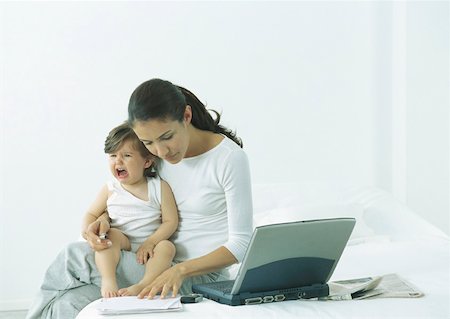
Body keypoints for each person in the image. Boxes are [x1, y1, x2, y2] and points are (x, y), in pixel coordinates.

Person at [26, 78, 253, 319]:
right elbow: (132, 193)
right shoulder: (157, 156)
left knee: (73, 256)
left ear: (186, 116)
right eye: (148, 143)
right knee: (68, 303)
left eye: (167, 137)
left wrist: (181, 271)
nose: (161, 151)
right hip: (152, 262)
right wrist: (102, 218)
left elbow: (241, 244)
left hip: (196, 276)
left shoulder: (229, 158)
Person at [81, 122, 178, 298]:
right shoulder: (110, 188)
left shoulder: (158, 187)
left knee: (167, 247)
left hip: (151, 246)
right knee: (109, 237)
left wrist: (151, 241)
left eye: (126, 155)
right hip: (123, 241)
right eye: (112, 155)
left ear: (147, 161)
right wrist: (88, 232)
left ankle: (144, 284)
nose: (118, 161)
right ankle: (108, 279)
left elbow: (170, 221)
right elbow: (91, 214)